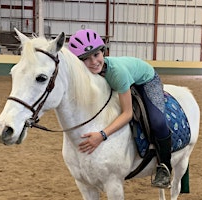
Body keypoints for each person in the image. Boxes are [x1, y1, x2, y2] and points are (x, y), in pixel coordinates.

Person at [68, 29, 172, 188]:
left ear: (103, 52)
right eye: (86, 59)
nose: (94, 62)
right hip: (123, 80)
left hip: (146, 79)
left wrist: (102, 135)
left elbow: (128, 114)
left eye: (96, 55)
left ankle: (165, 167)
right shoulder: (88, 75)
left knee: (157, 122)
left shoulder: (117, 73)